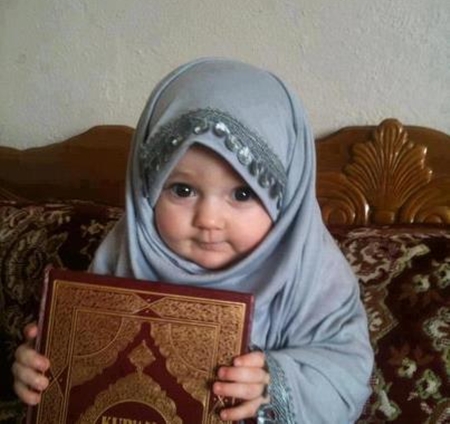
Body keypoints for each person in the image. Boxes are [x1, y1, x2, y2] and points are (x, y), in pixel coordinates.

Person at [13, 58, 373, 423]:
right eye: (182, 190)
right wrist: (41, 369)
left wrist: (272, 385)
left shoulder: (314, 273)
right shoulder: (125, 253)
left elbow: (346, 375)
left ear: (286, 199)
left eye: (242, 194)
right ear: (147, 191)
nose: (209, 220)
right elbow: (83, 363)